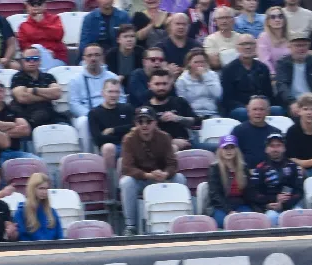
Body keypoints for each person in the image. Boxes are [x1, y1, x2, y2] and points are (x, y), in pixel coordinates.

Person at [119, 106, 190, 234]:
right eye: (140, 121)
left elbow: (172, 164)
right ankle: (131, 226)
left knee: (180, 178)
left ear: (155, 123)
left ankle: (182, 221)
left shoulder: (164, 137)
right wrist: (147, 175)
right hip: (141, 180)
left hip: (162, 177)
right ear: (136, 123)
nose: (144, 125)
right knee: (126, 182)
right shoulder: (128, 139)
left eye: (148, 121)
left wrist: (166, 173)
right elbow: (127, 168)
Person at [221, 35, 278, 119]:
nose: (248, 47)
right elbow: (227, 99)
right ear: (237, 48)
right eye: (243, 44)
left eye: (251, 44)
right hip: (240, 108)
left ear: (255, 46)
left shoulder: (263, 68)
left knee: (278, 110)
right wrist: (248, 107)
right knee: (243, 112)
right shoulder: (228, 69)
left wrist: (263, 105)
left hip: (261, 106)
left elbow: (268, 94)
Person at [253, 131, 303, 224]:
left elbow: (299, 192)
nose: (275, 149)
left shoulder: (294, 166)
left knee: (298, 215)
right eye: (272, 146)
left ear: (284, 148)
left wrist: (284, 205)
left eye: (278, 145)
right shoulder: (259, 168)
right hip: (269, 207)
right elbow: (254, 193)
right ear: (266, 149)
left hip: (290, 205)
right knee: (271, 217)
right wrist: (271, 201)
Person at [10, 46, 66, 129]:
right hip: (24, 116)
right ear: (22, 61)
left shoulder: (48, 77)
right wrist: (47, 96)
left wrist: (34, 90)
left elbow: (57, 93)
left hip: (48, 116)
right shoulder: (17, 77)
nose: (32, 61)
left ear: (40, 61)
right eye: (28, 59)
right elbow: (22, 98)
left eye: (35, 58)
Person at [276, 33, 312, 115]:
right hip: (291, 102)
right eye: (297, 45)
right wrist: (291, 102)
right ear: (290, 46)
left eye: (304, 45)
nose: (301, 48)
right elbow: (282, 85)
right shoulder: (282, 63)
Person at [206, 134, 253, 224]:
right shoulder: (214, 168)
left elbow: (249, 192)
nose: (229, 151)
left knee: (249, 221)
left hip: (241, 205)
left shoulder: (244, 167)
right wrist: (229, 211)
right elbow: (215, 194)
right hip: (221, 206)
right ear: (220, 150)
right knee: (223, 222)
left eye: (232, 147)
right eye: (225, 148)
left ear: (236, 150)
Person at [0, 79, 31, 162]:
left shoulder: (12, 109)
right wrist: (12, 125)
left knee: (38, 161)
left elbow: (25, 129)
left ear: (4, 93)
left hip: (14, 152)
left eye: (0, 91)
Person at [91, 77, 134, 171]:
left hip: (128, 145)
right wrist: (122, 134)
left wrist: (113, 130)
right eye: (110, 92)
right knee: (108, 147)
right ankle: (110, 180)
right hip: (108, 148)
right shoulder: (94, 113)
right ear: (102, 93)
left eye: (117, 92)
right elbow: (98, 139)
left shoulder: (127, 108)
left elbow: (134, 127)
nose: (114, 95)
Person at [72, 44, 125, 120]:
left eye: (97, 55)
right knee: (82, 121)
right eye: (89, 55)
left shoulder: (113, 77)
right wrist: (92, 115)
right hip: (88, 117)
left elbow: (122, 99)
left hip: (112, 113)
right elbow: (74, 104)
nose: (93, 58)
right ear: (84, 59)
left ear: (102, 57)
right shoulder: (76, 79)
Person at [231, 95, 280, 166]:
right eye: (254, 109)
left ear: (268, 111)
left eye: (261, 109)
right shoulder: (238, 131)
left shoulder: (275, 132)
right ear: (248, 111)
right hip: (245, 171)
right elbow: (232, 156)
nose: (258, 112)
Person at [12, 171, 62, 240]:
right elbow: (22, 238)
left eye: (46, 189)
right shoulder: (21, 212)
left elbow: (59, 237)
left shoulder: (52, 212)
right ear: (32, 189)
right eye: (41, 188)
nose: (44, 192)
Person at [17, 0, 66, 70]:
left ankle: (40, 75)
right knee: (36, 47)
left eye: (39, 3)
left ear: (45, 5)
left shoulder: (55, 19)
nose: (36, 6)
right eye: (32, 4)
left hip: (55, 58)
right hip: (34, 60)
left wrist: (42, 23)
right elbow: (23, 45)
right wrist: (43, 52)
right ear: (27, 6)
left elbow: (59, 35)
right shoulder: (23, 26)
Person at [176, 49, 222, 120]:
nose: (200, 65)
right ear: (189, 64)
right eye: (196, 62)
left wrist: (206, 77)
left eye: (202, 62)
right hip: (192, 116)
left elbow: (218, 95)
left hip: (212, 114)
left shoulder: (213, 75)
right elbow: (182, 102)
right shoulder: (182, 80)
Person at [258, 6, 292, 71]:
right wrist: (273, 74)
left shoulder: (291, 36)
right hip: (271, 74)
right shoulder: (263, 37)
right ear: (268, 22)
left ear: (284, 20)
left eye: (280, 16)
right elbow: (265, 61)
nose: (277, 20)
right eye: (273, 17)